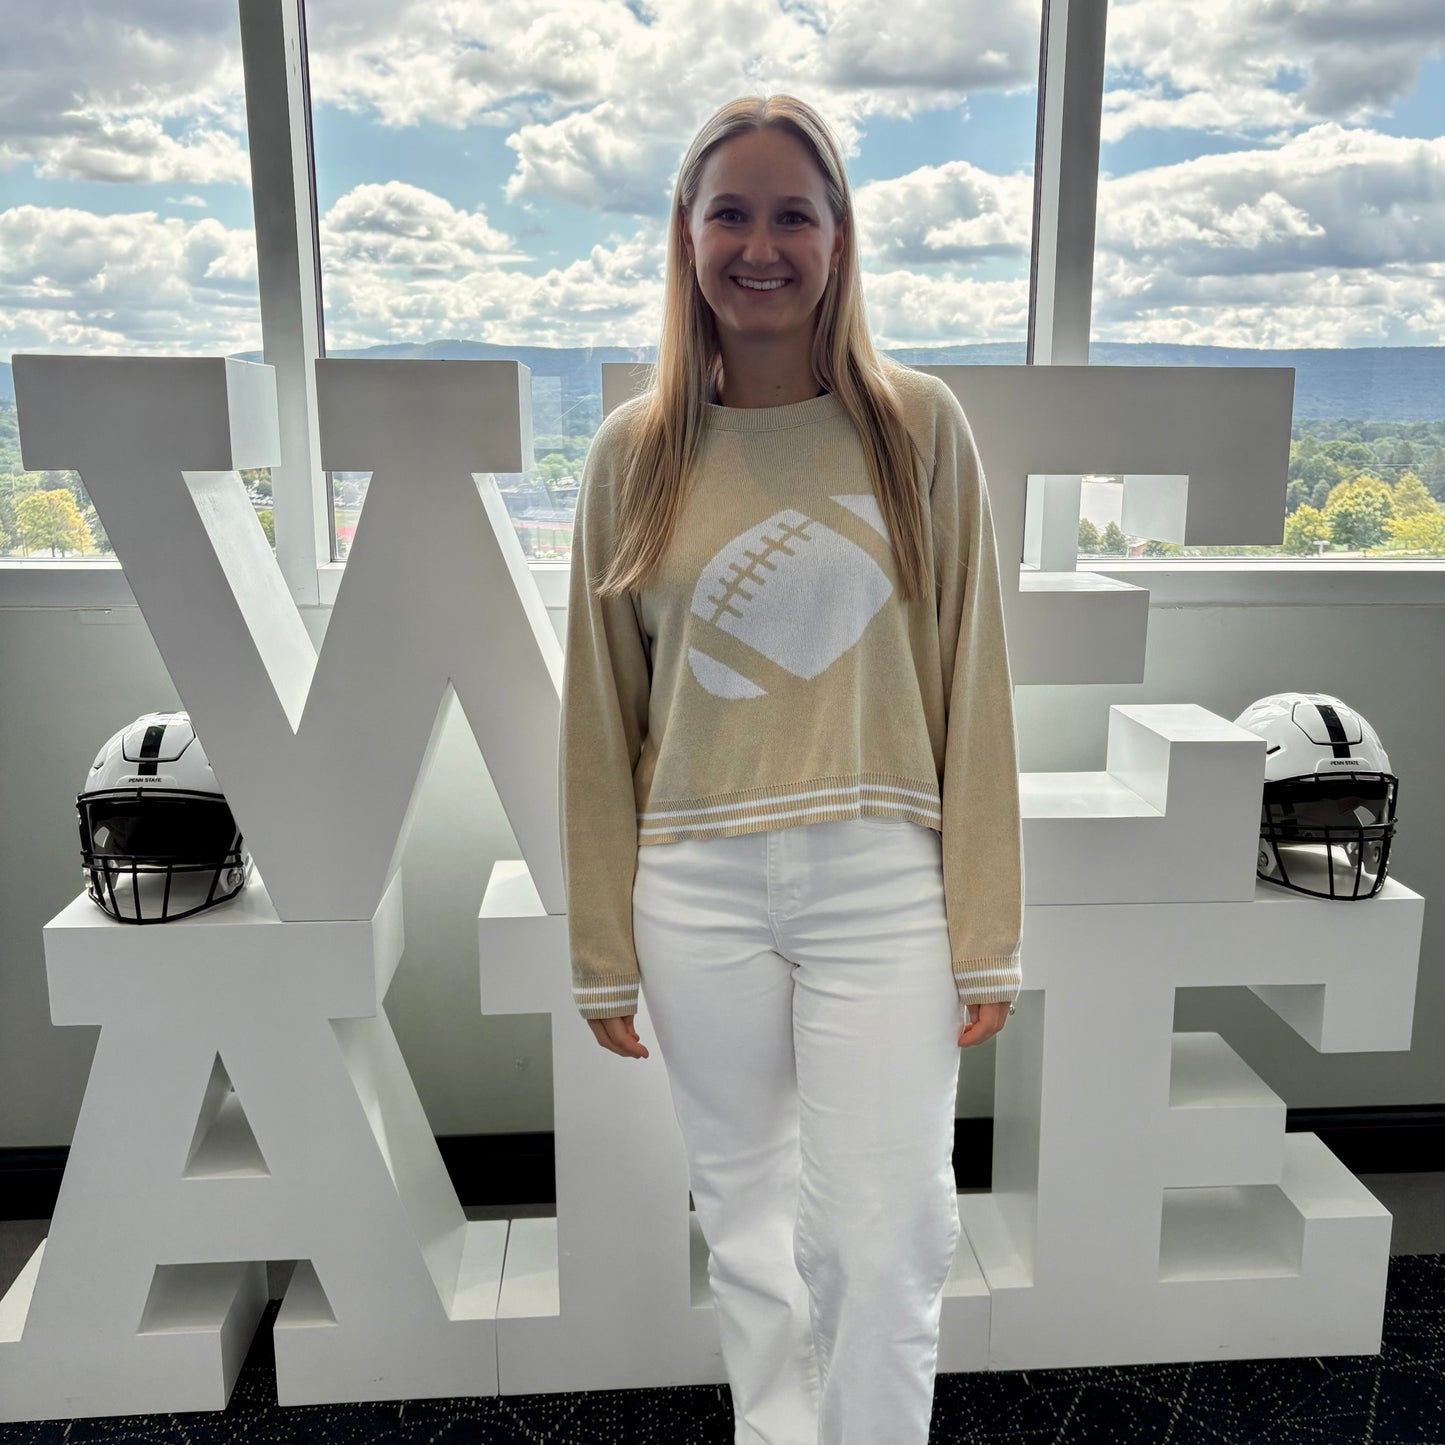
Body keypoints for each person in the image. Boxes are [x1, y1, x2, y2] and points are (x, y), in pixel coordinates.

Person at [558, 92, 1023, 1445]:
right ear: (686, 237)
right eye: (730, 213)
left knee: (885, 1237)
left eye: (791, 214)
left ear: (837, 240)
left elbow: (973, 686)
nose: (759, 245)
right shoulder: (632, 457)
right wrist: (600, 947)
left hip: (885, 880)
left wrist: (984, 929)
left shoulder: (916, 430)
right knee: (748, 1221)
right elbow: (598, 719)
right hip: (693, 886)